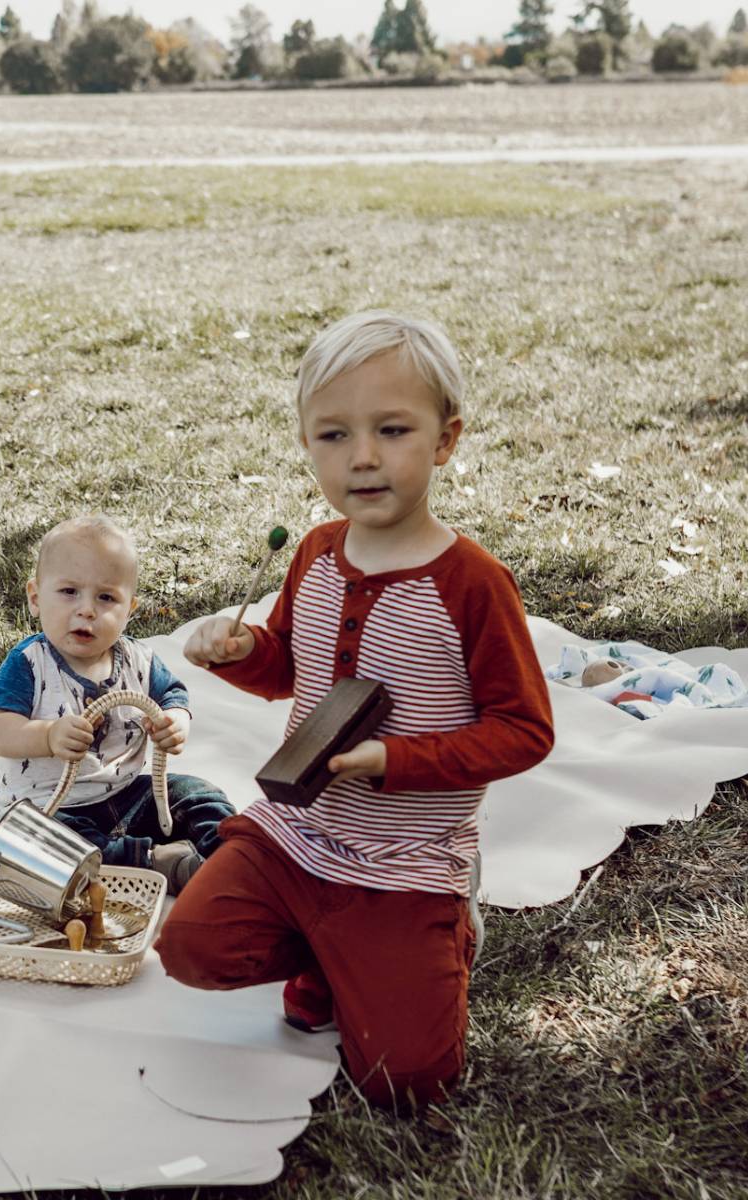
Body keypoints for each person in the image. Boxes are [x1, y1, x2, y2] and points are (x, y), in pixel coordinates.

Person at [158, 311, 555, 1109]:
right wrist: (242, 658)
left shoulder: (471, 585)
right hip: (300, 834)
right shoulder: (314, 551)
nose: (363, 457)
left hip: (407, 857)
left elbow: (525, 732)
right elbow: (290, 672)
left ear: (446, 440)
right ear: (306, 445)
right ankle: (326, 952)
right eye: (333, 435)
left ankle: (431, 934)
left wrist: (398, 762)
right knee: (189, 948)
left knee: (409, 1080)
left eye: (393, 429)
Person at [0, 515, 234, 894]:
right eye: (68, 592)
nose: (87, 610)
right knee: (46, 849)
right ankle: (153, 863)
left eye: (106, 597)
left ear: (129, 610)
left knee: (198, 793)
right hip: (51, 808)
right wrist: (47, 735)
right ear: (34, 597)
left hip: (128, 794)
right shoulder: (30, 663)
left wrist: (174, 722)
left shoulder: (138, 659)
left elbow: (173, 696)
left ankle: (228, 853)